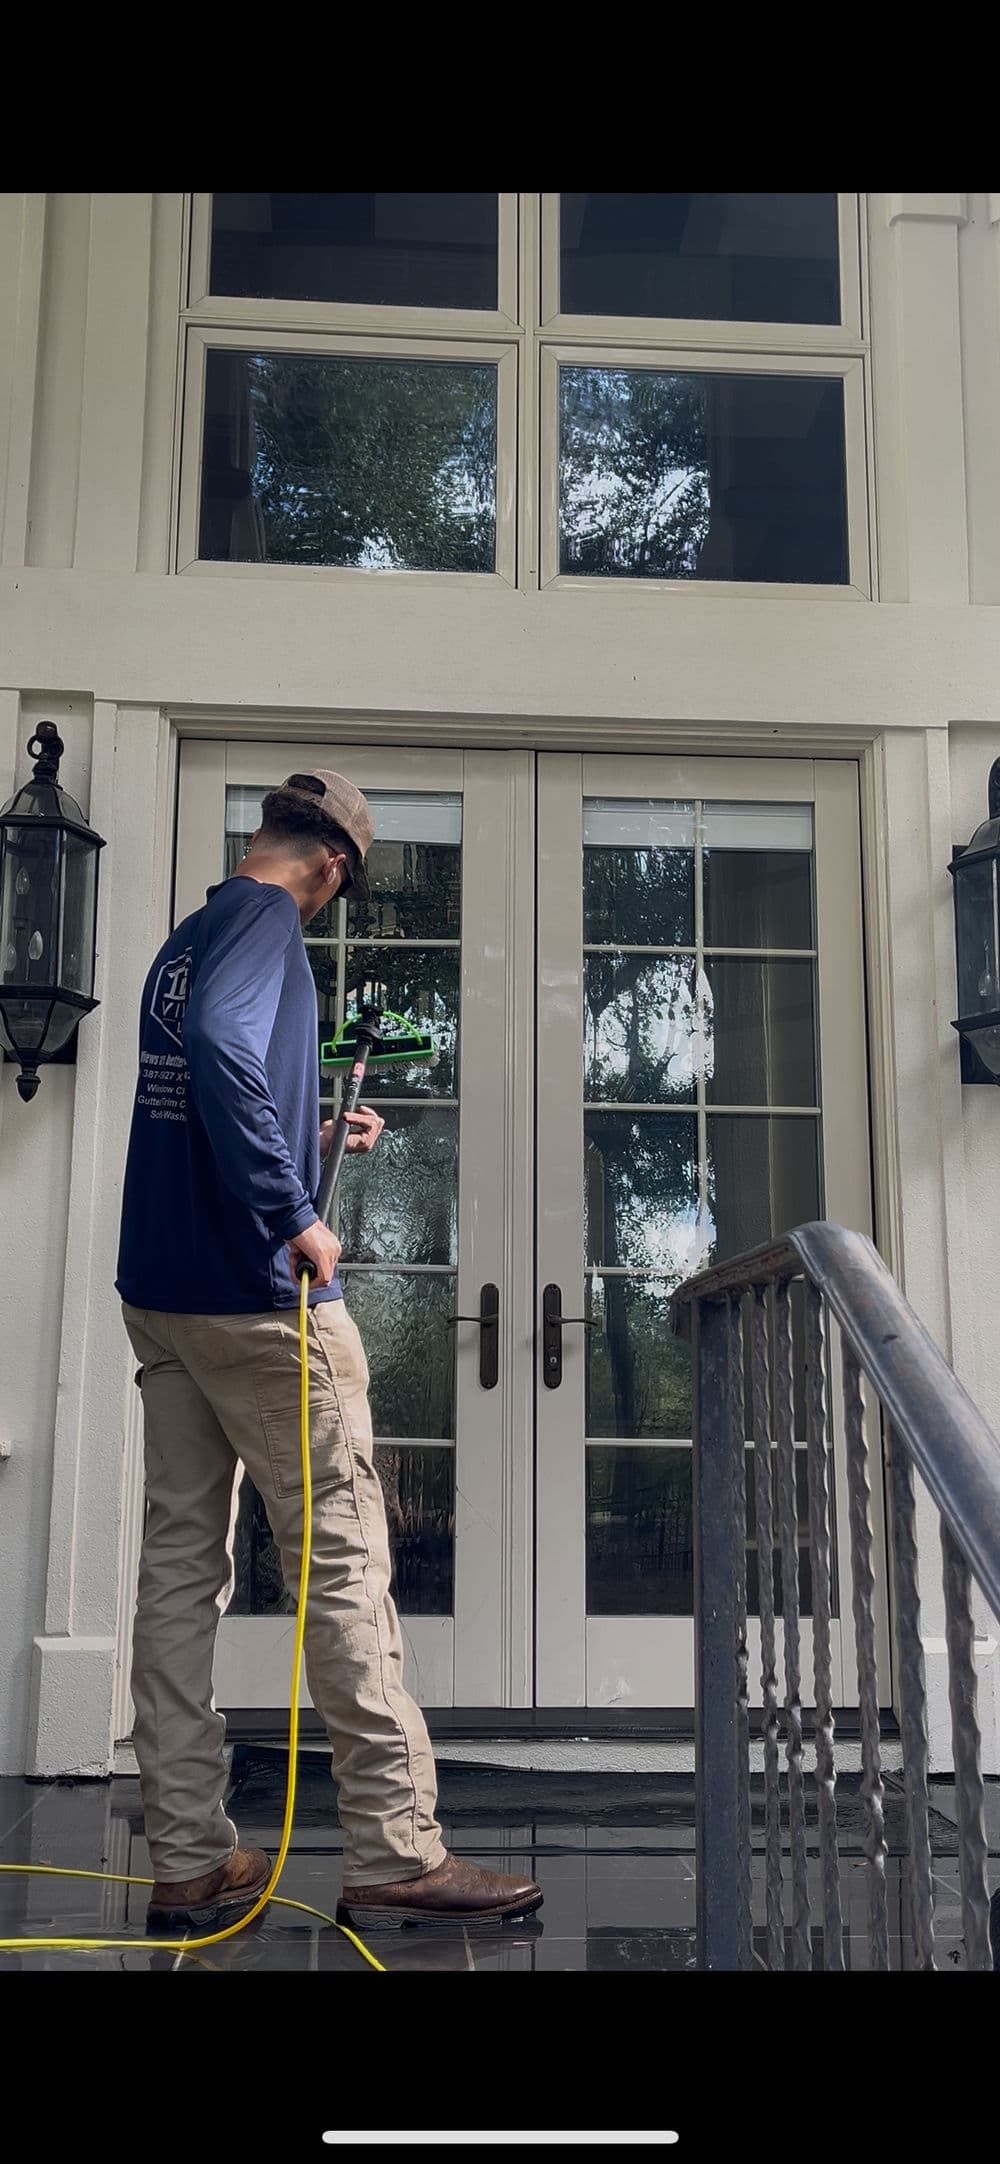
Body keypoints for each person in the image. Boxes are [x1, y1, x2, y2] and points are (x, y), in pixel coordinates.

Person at [115, 767, 542, 1935]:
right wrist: (293, 1208)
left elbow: (194, 1078)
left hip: (164, 1296)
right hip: (259, 1304)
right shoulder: (263, 920)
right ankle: (399, 1848)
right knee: (343, 1561)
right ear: (333, 868)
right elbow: (221, 1046)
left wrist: (309, 1130)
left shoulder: (192, 930)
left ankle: (193, 1854)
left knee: (177, 1570)